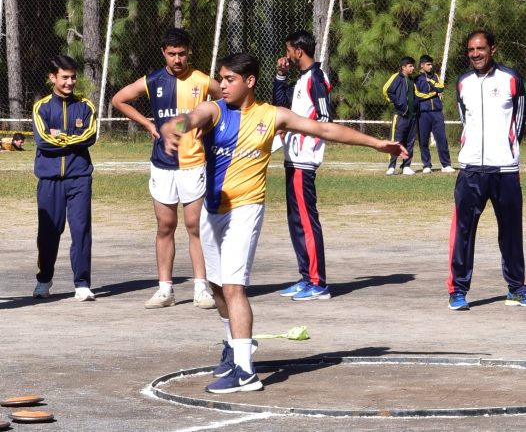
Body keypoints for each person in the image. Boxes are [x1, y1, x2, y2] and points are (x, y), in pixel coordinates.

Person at [160, 52, 408, 393]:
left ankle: (245, 372)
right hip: (213, 210)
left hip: (246, 209)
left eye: (229, 79)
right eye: (221, 78)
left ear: (249, 81)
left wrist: (377, 143)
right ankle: (234, 346)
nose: (222, 85)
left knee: (233, 287)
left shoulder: (273, 115)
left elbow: (324, 128)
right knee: (216, 287)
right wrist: (174, 127)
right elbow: (192, 117)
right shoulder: (215, 110)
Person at [112, 28, 221, 309]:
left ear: (189, 52)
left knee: (195, 226)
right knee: (165, 226)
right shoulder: (152, 80)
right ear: (163, 53)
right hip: (162, 163)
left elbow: (229, 99)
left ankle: (201, 288)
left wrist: (209, 124)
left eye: (182, 53)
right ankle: (165, 290)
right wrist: (146, 123)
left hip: (193, 161)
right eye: (171, 54)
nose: (177, 59)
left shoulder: (202, 80)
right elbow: (118, 99)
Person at [448, 30, 526, 310]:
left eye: (480, 48)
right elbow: (465, 120)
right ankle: (458, 290)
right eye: (471, 49)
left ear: (493, 49)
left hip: (504, 170)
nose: (475, 54)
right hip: (470, 171)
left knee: (511, 232)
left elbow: (519, 121)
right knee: (463, 232)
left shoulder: (511, 79)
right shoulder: (463, 82)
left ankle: (517, 288)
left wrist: (507, 151)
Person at [272, 30, 332, 301]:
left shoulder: (316, 78)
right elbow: (281, 107)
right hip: (292, 159)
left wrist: (305, 140)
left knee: (307, 221)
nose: (286, 55)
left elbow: (325, 117)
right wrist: (280, 76)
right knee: (296, 221)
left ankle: (318, 283)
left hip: (304, 160)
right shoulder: (301, 79)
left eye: (288, 50)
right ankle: (306, 277)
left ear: (298, 51)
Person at [32, 55, 97, 301]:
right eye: (65, 77)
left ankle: (82, 284)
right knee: (48, 232)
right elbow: (43, 141)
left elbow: (89, 135)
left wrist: (61, 137)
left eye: (73, 77)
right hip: (49, 180)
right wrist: (71, 140)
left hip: (79, 178)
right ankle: (44, 280)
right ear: (53, 78)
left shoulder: (86, 106)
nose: (70, 82)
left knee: (81, 230)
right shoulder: (41, 107)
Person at [414, 55, 455, 174]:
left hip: (437, 113)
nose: (431, 66)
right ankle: (426, 165)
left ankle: (446, 164)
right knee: (423, 140)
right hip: (423, 113)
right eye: (428, 64)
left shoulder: (435, 77)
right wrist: (432, 94)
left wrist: (431, 82)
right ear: (422, 65)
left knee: (441, 139)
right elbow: (417, 95)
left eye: (431, 64)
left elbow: (440, 88)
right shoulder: (416, 79)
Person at [383, 57, 417, 175]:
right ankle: (391, 166)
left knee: (410, 142)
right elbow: (387, 90)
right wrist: (399, 103)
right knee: (396, 141)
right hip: (400, 115)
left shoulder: (411, 80)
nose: (413, 68)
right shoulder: (397, 77)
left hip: (412, 116)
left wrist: (415, 106)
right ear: (403, 67)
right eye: (410, 66)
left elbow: (415, 94)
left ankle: (406, 166)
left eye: (413, 66)